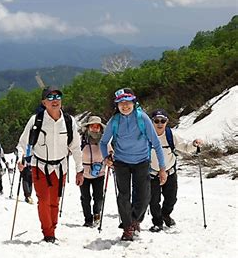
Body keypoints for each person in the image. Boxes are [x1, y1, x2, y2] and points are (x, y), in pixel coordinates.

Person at [16, 86, 84, 243]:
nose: (55, 101)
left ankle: (52, 228)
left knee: (55, 200)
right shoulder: (36, 120)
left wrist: (79, 170)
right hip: (39, 166)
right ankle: (48, 233)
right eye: (50, 97)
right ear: (44, 102)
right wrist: (21, 158)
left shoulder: (69, 121)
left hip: (60, 168)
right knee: (44, 200)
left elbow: (75, 147)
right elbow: (23, 143)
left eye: (57, 97)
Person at [100, 88, 167, 241]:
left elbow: (156, 144)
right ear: (117, 105)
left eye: (128, 102)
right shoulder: (114, 121)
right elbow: (103, 142)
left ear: (133, 103)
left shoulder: (142, 118)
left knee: (144, 196)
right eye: (121, 103)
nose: (125, 106)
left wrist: (162, 168)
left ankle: (134, 220)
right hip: (121, 162)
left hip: (142, 161)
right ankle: (128, 227)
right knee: (123, 196)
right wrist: (106, 158)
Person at [148, 109, 203, 232]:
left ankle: (165, 214)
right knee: (153, 200)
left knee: (171, 198)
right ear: (152, 122)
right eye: (156, 121)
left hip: (170, 172)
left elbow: (185, 147)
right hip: (151, 173)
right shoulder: (146, 136)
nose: (160, 123)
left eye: (163, 120)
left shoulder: (171, 135)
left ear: (167, 122)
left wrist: (194, 144)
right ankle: (157, 222)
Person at [79, 115, 107, 227]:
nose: (95, 129)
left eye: (97, 127)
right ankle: (88, 219)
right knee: (85, 197)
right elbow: (74, 151)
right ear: (88, 127)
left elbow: (110, 152)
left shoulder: (104, 141)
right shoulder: (82, 140)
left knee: (99, 197)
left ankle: (96, 213)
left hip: (100, 172)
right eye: (92, 126)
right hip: (83, 173)